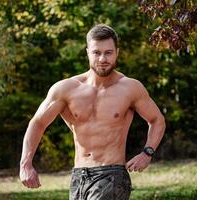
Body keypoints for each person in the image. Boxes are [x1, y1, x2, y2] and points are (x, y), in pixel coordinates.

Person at [19, 24, 166, 200]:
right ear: (87, 52)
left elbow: (157, 119)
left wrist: (147, 153)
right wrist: (25, 164)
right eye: (97, 52)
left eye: (108, 52)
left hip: (111, 175)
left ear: (117, 53)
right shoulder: (65, 89)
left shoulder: (130, 88)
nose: (102, 58)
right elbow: (37, 123)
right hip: (79, 177)